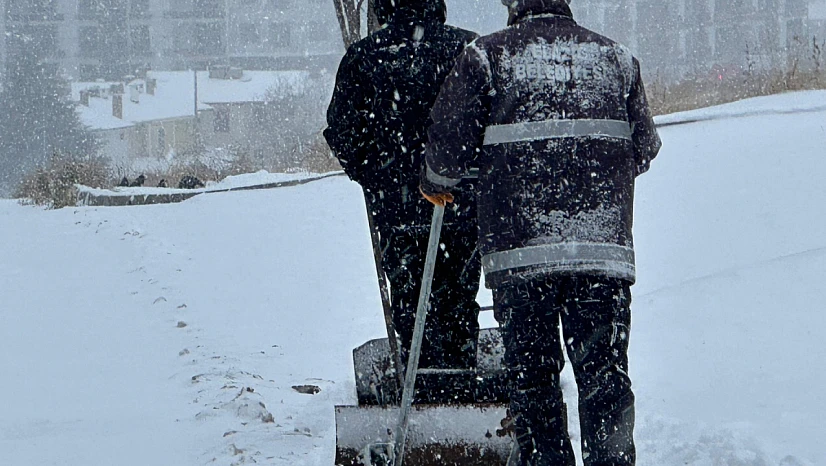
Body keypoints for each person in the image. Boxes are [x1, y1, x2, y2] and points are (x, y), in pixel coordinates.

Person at [420, 0, 662, 464]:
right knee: (604, 376)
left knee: (534, 383)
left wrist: (438, 182)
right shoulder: (617, 59)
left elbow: (446, 156)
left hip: (520, 255)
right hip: (600, 252)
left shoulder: (486, 57)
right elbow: (645, 148)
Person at [324, 0, 482, 387]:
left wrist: (378, 176)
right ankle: (459, 382)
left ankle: (423, 384)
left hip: (398, 209)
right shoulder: (469, 51)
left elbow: (342, 131)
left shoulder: (365, 57)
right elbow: (488, 123)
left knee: (411, 302)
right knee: (459, 297)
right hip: (460, 205)